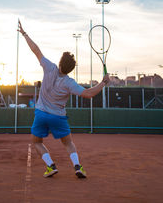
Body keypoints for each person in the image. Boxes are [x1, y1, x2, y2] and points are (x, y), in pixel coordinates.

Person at [18, 20, 110, 179]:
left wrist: (25, 34)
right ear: (71, 69)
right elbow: (89, 94)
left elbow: (36, 50)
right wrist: (103, 83)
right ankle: (77, 166)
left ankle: (50, 166)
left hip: (41, 114)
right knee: (68, 143)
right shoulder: (69, 83)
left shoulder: (49, 67)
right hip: (58, 117)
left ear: (60, 63)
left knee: (37, 141)